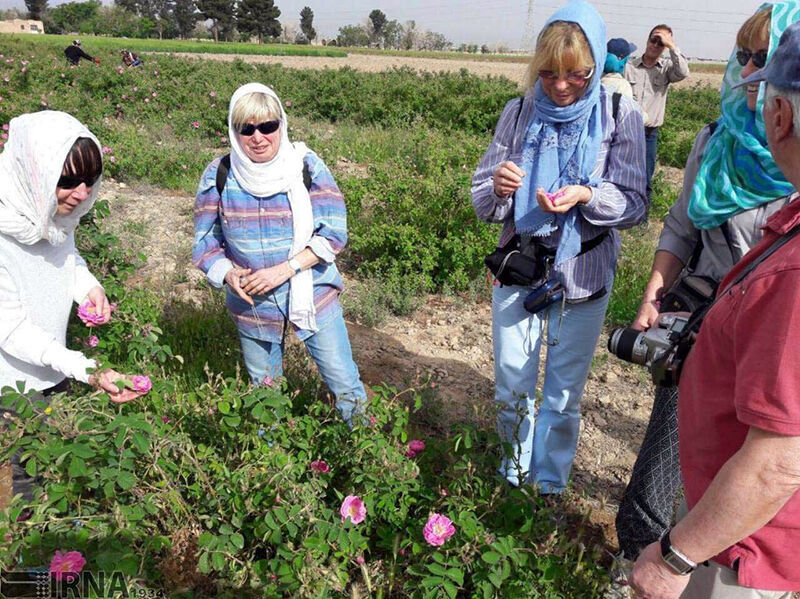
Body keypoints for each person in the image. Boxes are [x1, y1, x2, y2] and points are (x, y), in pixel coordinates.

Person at [615, 3, 800, 575]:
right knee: (675, 442)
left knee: (760, 458)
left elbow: (778, 463)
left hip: (773, 334)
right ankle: (638, 552)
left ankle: (705, 558)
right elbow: (681, 225)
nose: (748, 69)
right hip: (705, 321)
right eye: (743, 55)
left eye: (762, 58)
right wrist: (654, 294)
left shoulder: (788, 160)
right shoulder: (717, 139)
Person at [471, 0, 646, 495]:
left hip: (582, 272)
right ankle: (513, 476)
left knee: (564, 394)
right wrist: (500, 187)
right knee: (511, 385)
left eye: (576, 74)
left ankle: (548, 484)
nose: (561, 86)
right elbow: (483, 198)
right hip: (521, 267)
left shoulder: (618, 114)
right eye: (548, 74)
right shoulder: (519, 112)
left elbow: (634, 204)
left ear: (594, 68)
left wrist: (588, 196)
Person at [192, 82, 367, 425]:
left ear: (281, 125)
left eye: (267, 126)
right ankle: (273, 465)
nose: (258, 137)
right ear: (235, 131)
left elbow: (333, 233)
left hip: (312, 293)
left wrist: (286, 269)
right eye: (247, 128)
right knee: (265, 393)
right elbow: (205, 242)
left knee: (344, 384)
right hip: (253, 303)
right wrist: (228, 272)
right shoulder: (220, 174)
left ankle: (366, 455)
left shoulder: (306, 166)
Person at [0, 111, 141, 502]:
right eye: (67, 181)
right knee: (27, 480)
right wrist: (88, 369)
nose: (81, 193)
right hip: (13, 382)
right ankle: (26, 559)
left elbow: (67, 256)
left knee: (57, 468)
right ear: (35, 172)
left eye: (89, 181)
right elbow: (10, 330)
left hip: (54, 367)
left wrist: (90, 289)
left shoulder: (49, 213)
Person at [625, 24, 689, 200]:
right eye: (653, 40)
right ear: (647, 41)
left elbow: (683, 72)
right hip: (626, 130)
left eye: (660, 43)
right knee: (621, 172)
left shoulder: (667, 68)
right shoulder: (629, 66)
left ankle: (641, 219)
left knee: (645, 176)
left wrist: (672, 46)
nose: (655, 45)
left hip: (648, 133)